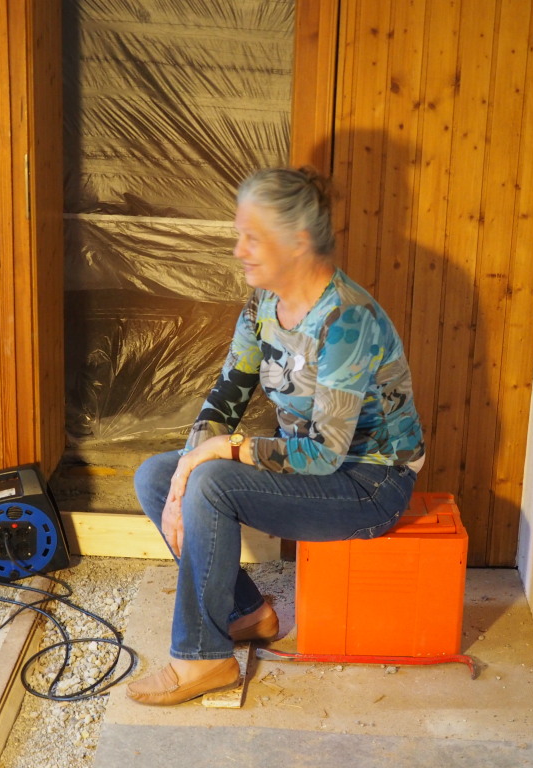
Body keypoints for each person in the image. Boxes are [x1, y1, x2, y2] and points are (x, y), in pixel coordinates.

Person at [127, 167, 426, 706]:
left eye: (252, 237)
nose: (238, 250)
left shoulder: (347, 319)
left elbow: (325, 453)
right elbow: (227, 396)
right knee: (156, 475)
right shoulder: (262, 306)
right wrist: (181, 476)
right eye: (238, 234)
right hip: (310, 467)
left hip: (369, 483)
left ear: (298, 241)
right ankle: (248, 614)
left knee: (212, 480)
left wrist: (221, 453)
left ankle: (202, 659)